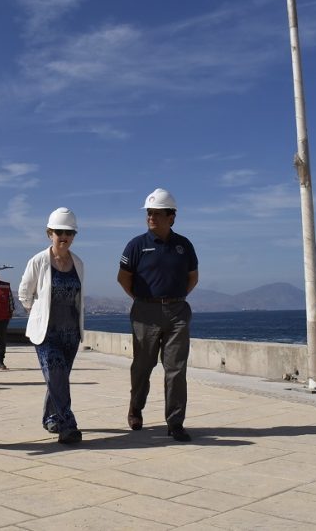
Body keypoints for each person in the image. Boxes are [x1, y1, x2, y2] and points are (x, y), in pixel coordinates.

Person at [117, 188, 198, 442]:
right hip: (145, 312)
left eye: (157, 213)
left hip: (177, 311)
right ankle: (135, 409)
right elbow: (123, 278)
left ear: (171, 217)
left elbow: (192, 278)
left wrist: (171, 299)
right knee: (142, 366)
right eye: (149, 213)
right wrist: (144, 302)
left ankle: (175, 422)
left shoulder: (184, 245)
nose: (151, 217)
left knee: (176, 369)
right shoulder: (136, 245)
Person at [18, 208, 85, 444]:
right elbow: (24, 293)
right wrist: (37, 313)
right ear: (49, 233)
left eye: (69, 232)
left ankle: (51, 418)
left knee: (59, 378)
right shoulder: (38, 261)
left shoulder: (78, 263)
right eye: (59, 232)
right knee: (56, 375)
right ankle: (68, 425)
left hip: (71, 334)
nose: (64, 236)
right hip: (47, 333)